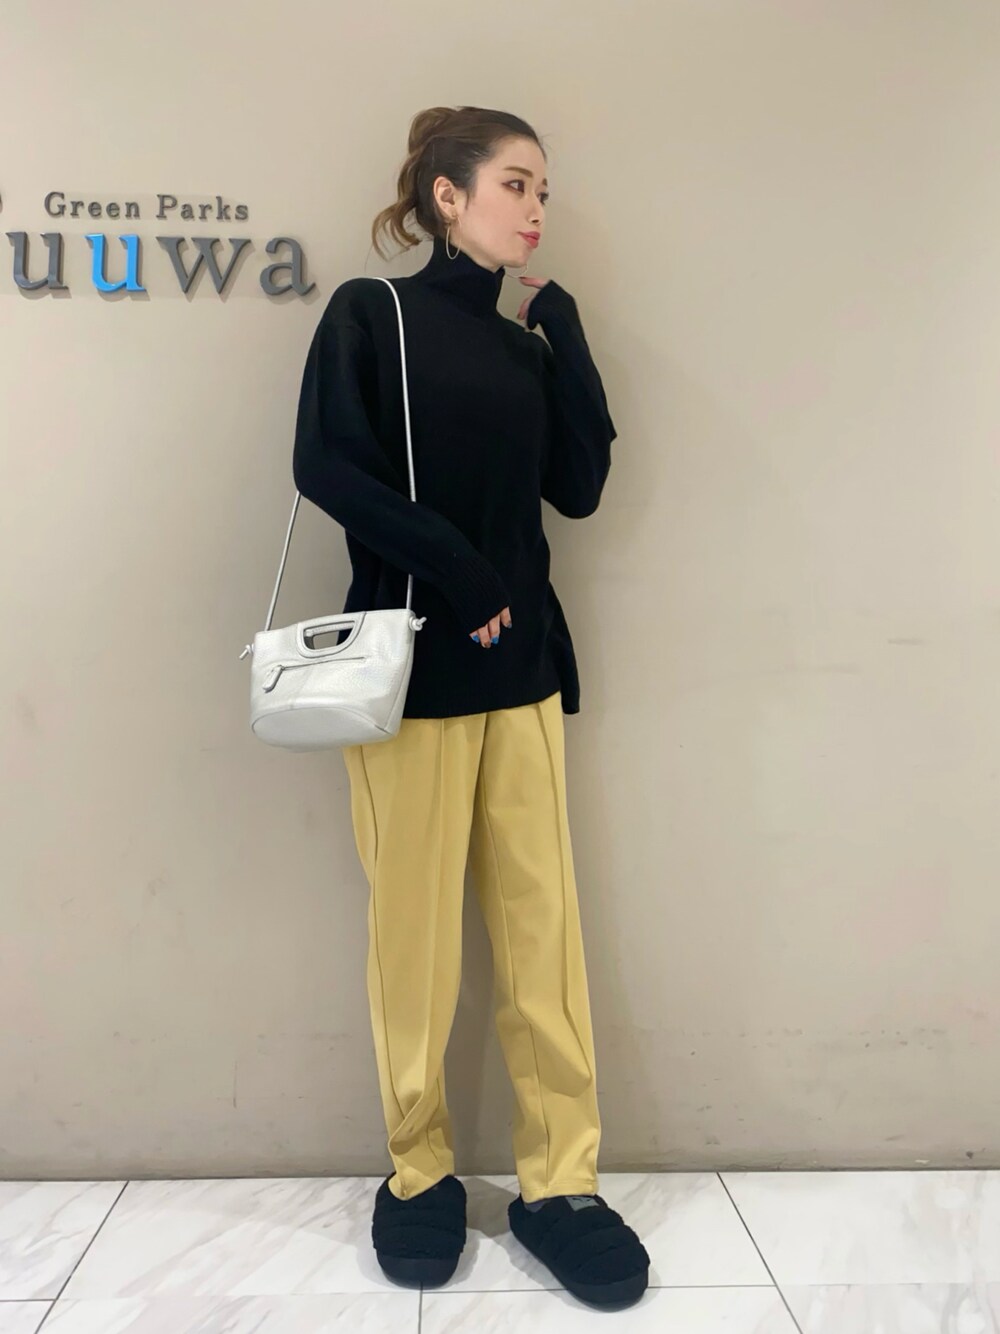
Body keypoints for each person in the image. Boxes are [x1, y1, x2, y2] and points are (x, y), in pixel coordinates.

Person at [292, 105, 650, 1310]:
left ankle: (561, 1183)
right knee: (416, 942)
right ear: (446, 197)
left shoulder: (521, 344)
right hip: (411, 680)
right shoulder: (371, 315)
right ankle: (419, 1170)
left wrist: (567, 335)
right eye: (515, 183)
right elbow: (325, 465)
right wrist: (467, 574)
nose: (537, 207)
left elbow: (580, 488)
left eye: (543, 188)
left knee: (544, 940)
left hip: (524, 681)